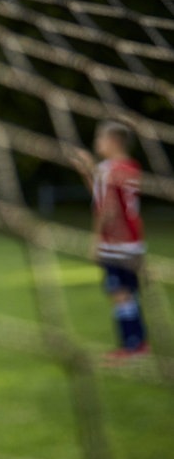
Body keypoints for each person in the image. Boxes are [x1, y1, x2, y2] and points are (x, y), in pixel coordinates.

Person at [73, 120, 149, 360]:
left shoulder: (109, 169)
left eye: (100, 138)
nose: (97, 143)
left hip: (115, 242)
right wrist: (87, 172)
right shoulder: (130, 167)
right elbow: (100, 194)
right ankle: (139, 343)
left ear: (113, 141)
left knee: (119, 293)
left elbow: (105, 208)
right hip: (134, 241)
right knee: (129, 293)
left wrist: (96, 239)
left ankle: (131, 346)